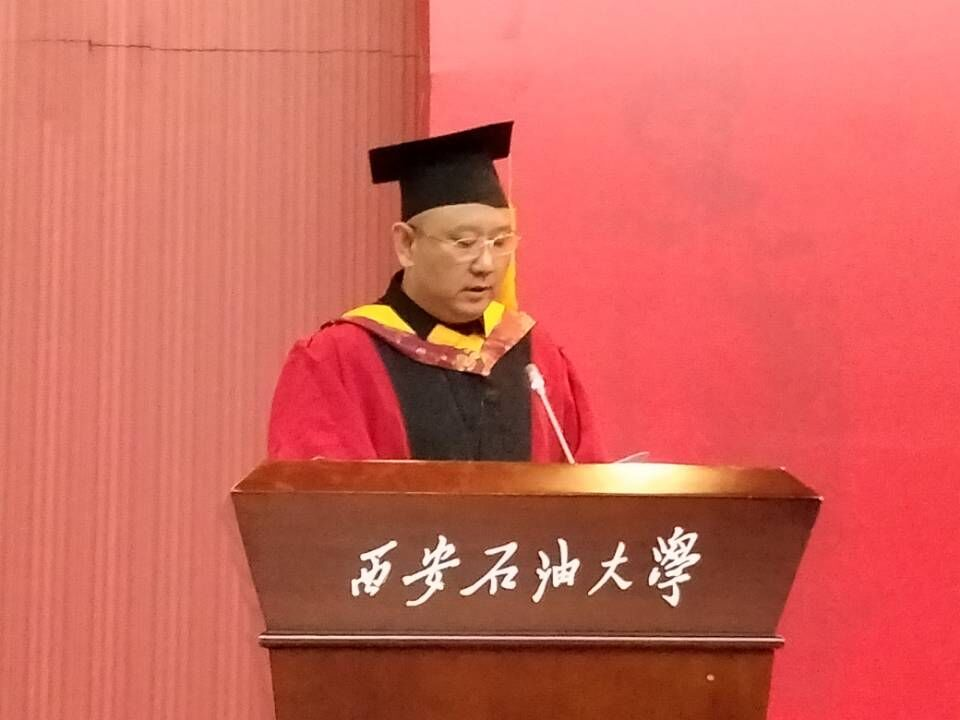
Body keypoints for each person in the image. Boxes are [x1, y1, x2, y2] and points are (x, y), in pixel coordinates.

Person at [267, 121, 604, 462]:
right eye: (465, 243)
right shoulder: (338, 358)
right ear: (406, 244)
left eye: (501, 242)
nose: (486, 264)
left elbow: (588, 480)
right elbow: (317, 488)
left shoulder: (536, 354)